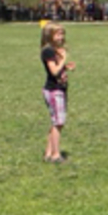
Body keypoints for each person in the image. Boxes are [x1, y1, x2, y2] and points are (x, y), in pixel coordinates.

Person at [41, 22, 75, 163]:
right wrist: (63, 59)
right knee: (58, 122)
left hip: (59, 89)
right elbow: (54, 71)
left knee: (56, 121)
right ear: (50, 35)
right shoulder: (48, 51)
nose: (61, 37)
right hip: (54, 90)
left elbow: (57, 69)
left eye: (62, 34)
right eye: (58, 34)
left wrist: (65, 67)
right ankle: (55, 155)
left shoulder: (55, 50)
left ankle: (48, 153)